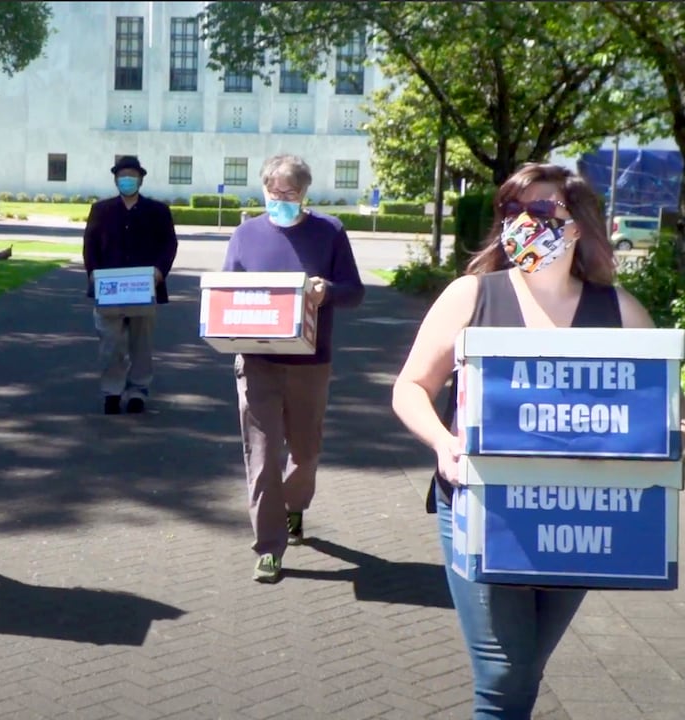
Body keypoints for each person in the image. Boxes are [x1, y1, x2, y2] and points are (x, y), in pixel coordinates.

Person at [391, 163, 661, 718]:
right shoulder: (472, 296)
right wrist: (444, 444)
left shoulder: (622, 313)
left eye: (542, 211)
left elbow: (657, 414)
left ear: (578, 225)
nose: (524, 223)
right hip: (484, 508)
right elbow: (411, 387)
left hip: (582, 516)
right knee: (502, 674)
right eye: (512, 211)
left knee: (525, 669)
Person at [222, 154, 364, 583]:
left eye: (290, 193)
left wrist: (328, 292)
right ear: (263, 189)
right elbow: (227, 293)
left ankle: (294, 507)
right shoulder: (245, 235)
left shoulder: (329, 232)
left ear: (305, 194)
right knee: (262, 457)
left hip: (310, 363)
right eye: (273, 192)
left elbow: (355, 292)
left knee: (304, 454)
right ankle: (269, 547)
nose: (280, 200)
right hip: (257, 362)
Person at [82, 155, 179, 415]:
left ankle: (138, 391)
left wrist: (160, 271)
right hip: (109, 289)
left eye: (132, 176)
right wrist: (92, 273)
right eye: (122, 176)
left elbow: (169, 244)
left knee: (141, 344)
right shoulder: (101, 210)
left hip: (144, 288)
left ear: (140, 179)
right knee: (110, 344)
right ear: (115, 179)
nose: (127, 180)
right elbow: (89, 245)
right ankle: (112, 391)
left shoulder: (157, 211)